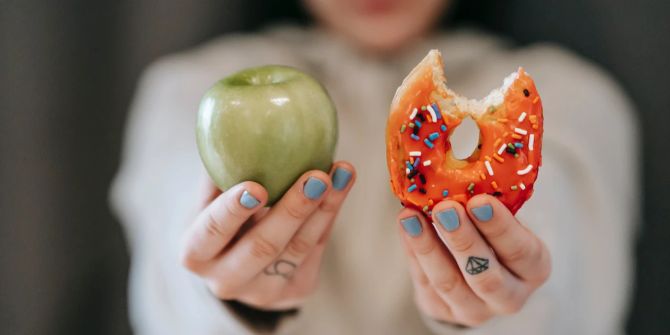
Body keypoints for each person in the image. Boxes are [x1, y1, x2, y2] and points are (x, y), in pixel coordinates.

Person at [111, 0, 639, 333]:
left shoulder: (575, 95)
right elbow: (170, 254)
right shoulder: (185, 88)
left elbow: (566, 249)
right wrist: (232, 297)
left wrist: (502, 297)